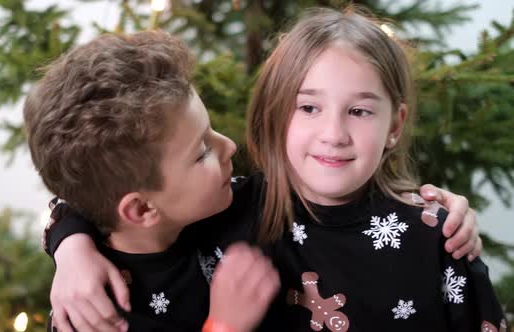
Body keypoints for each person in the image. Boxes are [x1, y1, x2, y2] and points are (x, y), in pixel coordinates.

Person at [42, 7, 489, 332]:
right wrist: (72, 247)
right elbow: (98, 188)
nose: (334, 133)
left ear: (396, 125)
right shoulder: (219, 212)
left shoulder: (437, 235)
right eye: (309, 107)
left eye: (360, 111)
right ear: (277, 115)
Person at [23, 31, 280, 332]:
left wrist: (70, 244)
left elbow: (70, 204)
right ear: (142, 210)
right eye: (202, 153)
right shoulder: (97, 316)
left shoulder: (233, 202)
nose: (229, 147)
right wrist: (223, 326)